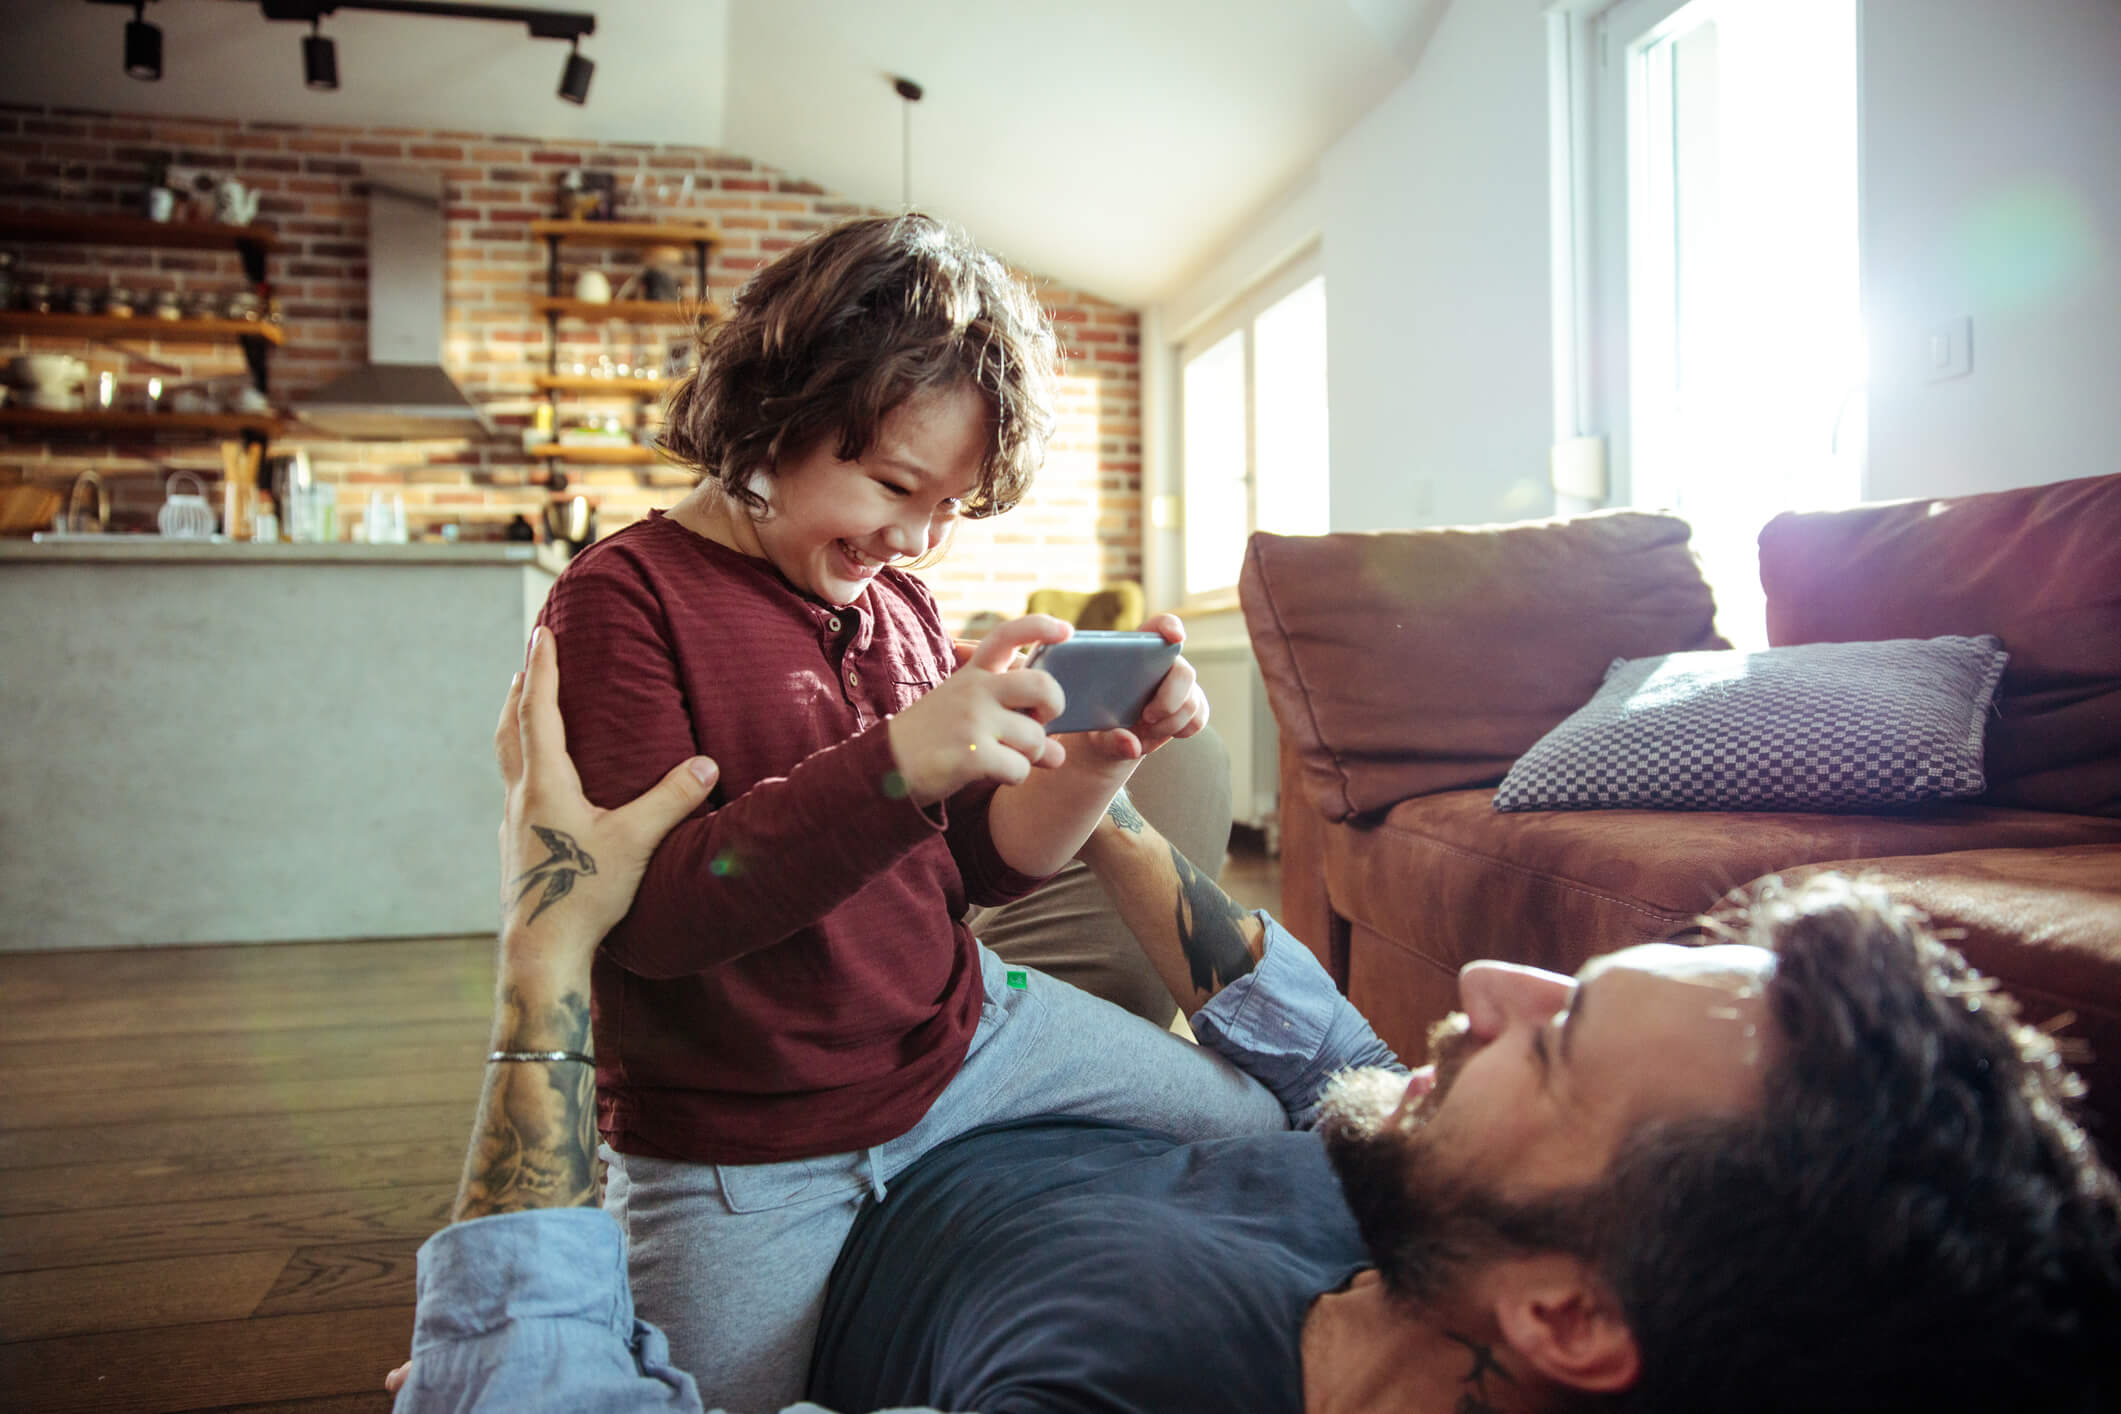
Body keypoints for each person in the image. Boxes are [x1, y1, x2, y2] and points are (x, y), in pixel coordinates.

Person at [392, 630, 2121, 1414]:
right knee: (1161, 777)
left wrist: (549, 949)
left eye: (1560, 1037)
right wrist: (1109, 783)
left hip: (826, 1175)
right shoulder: (1444, 1220)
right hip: (1011, 1029)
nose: (1490, 987)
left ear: (1572, 1315)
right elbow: (1323, 1055)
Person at [534, 213, 1285, 1406]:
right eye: (892, 485)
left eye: (952, 507)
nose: (917, 538)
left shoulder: (904, 609)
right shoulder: (620, 603)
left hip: (966, 1038)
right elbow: (655, 924)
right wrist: (896, 762)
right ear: (769, 413)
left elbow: (972, 872)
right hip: (740, 1144)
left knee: (1262, 1129)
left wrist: (1096, 760)